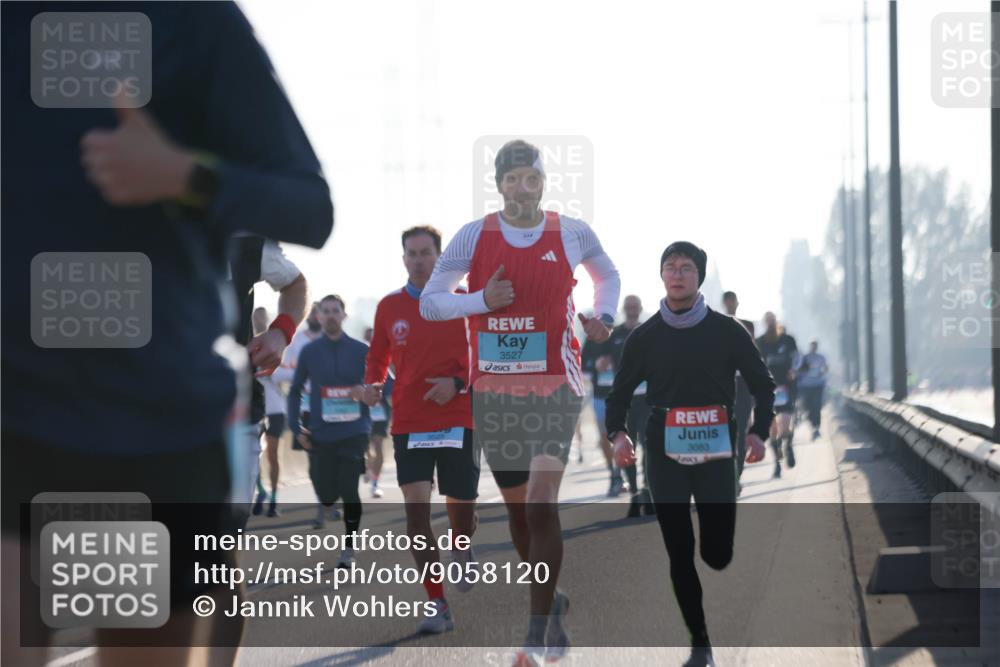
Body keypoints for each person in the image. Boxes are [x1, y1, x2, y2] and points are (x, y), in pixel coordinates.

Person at [1, 3, 332, 666]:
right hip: (15, 413)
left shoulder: (192, 20)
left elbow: (308, 207)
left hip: (149, 425)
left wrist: (183, 175)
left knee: (212, 581)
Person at [421, 139, 621, 666]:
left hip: (556, 384)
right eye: (511, 179)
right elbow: (431, 302)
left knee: (539, 506)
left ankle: (534, 635)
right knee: (517, 517)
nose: (521, 188)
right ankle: (550, 602)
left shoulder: (571, 231)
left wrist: (605, 314)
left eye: (530, 178)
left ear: (542, 181)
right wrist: (481, 301)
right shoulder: (473, 236)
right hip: (494, 392)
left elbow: (608, 274)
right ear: (500, 184)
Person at [606, 242, 775, 667]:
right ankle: (700, 644)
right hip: (664, 451)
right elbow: (619, 394)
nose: (677, 274)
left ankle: (716, 549)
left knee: (716, 554)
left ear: (698, 277)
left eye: (685, 268)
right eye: (669, 268)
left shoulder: (727, 330)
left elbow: (763, 384)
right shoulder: (644, 337)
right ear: (661, 276)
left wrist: (757, 432)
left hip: (718, 450)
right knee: (679, 552)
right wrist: (618, 435)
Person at [366, 225, 479, 635]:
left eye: (426, 252)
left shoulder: (465, 300)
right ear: (403, 259)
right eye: (411, 254)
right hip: (410, 420)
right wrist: (374, 385)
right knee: (416, 515)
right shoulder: (389, 307)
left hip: (459, 414)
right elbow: (378, 357)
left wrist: (459, 384)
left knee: (460, 508)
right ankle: (437, 602)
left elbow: (486, 352)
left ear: (440, 255)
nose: (418, 260)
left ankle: (462, 546)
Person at [287, 295, 371, 567]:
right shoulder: (310, 353)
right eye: (326, 311)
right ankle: (327, 501)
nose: (332, 315)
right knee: (325, 492)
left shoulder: (361, 350)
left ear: (344, 316)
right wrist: (295, 426)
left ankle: (348, 549)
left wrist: (367, 391)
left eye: (336, 311)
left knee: (349, 488)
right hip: (321, 434)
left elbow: (384, 385)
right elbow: (295, 389)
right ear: (319, 317)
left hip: (354, 432)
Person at [231, 239, 307, 515]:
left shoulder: (243, 240)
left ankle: (270, 496)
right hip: (145, 416)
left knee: (217, 539)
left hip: (236, 411)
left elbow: (296, 284)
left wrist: (281, 332)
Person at [600, 295, 654, 517]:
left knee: (649, 446)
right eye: (628, 307)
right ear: (624, 309)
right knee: (627, 447)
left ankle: (648, 492)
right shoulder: (616, 334)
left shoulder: (650, 331)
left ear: (640, 308)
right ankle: (633, 494)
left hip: (648, 398)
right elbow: (600, 358)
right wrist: (602, 363)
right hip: (624, 399)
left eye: (635, 306)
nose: (632, 310)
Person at [756, 312, 800, 478]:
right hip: (769, 390)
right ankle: (777, 463)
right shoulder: (760, 343)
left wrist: (793, 370)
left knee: (786, 422)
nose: (771, 325)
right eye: (767, 322)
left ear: (777, 322)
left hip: (787, 388)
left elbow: (797, 358)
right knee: (773, 428)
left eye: (773, 321)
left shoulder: (788, 340)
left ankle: (788, 445)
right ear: (764, 324)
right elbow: (754, 363)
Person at [580, 332, 624, 496]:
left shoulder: (619, 334)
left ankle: (620, 474)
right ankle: (613, 473)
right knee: (604, 439)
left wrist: (614, 363)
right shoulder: (591, 340)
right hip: (600, 397)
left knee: (620, 437)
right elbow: (582, 366)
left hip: (620, 396)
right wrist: (596, 366)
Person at [721, 291, 756, 484]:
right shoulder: (717, 324)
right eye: (726, 302)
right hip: (723, 384)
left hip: (743, 385)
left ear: (737, 303)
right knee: (725, 431)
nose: (729, 305)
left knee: (741, 429)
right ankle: (727, 473)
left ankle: (737, 475)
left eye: (732, 301)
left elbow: (753, 354)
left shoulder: (748, 325)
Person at [362, 325, 392, 498]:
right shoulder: (358, 359)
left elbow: (391, 388)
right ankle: (367, 465)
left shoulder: (384, 360)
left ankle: (375, 482)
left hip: (380, 410)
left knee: (378, 445)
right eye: (367, 339)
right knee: (365, 446)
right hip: (363, 411)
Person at [798, 340, 828, 440]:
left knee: (817, 405)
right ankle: (811, 420)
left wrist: (822, 372)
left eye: (815, 346)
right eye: (812, 346)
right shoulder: (805, 358)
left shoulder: (821, 357)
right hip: (806, 385)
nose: (814, 348)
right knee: (808, 405)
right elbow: (800, 369)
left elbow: (825, 368)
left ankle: (816, 426)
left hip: (818, 385)